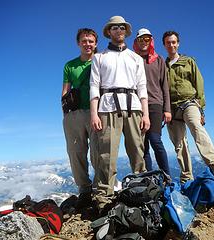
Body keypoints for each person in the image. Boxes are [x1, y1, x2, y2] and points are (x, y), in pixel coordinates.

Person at [90, 16, 150, 212]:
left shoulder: (135, 58)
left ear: (125, 31)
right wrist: (94, 114)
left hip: (134, 107)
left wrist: (146, 114)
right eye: (114, 27)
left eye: (122, 27)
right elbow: (94, 87)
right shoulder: (99, 57)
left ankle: (142, 192)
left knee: (137, 151)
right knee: (107, 155)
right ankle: (103, 198)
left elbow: (142, 87)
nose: (118, 30)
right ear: (109, 31)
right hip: (107, 107)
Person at [162, 30, 214, 183]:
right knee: (179, 143)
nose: (171, 45)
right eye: (168, 42)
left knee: (197, 128)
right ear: (164, 45)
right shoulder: (162, 66)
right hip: (171, 108)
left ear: (178, 43)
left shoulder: (188, 61)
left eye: (173, 42)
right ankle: (186, 178)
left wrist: (201, 107)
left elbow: (199, 84)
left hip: (189, 102)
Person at [62, 28, 98, 208]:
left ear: (95, 43)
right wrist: (66, 115)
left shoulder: (100, 62)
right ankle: (84, 190)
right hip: (75, 113)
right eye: (84, 41)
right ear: (78, 43)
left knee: (98, 152)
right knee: (76, 153)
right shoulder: (70, 65)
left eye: (91, 41)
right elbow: (65, 90)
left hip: (97, 112)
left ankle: (100, 188)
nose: (87, 44)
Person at [133, 28, 171, 176]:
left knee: (155, 140)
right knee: (143, 145)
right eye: (140, 39)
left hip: (155, 104)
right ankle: (150, 178)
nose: (144, 42)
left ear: (151, 41)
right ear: (136, 42)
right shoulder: (132, 59)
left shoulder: (159, 59)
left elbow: (165, 86)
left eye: (147, 39)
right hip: (136, 105)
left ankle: (166, 176)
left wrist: (167, 109)